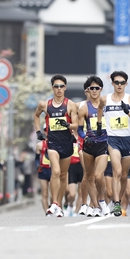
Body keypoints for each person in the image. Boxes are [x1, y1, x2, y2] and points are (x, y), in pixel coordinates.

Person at [33, 75, 79, 217]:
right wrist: (38, 131)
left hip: (66, 143)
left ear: (65, 87)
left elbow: (76, 125)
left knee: (63, 175)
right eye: (56, 86)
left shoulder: (70, 104)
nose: (59, 89)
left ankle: (58, 204)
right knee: (56, 172)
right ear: (52, 88)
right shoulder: (45, 105)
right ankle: (54, 203)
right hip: (52, 143)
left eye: (61, 86)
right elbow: (36, 115)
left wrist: (68, 125)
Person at [104, 70, 130, 217]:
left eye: (122, 82)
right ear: (112, 83)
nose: (119, 85)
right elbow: (98, 109)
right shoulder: (105, 99)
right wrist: (100, 125)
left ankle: (118, 200)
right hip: (112, 138)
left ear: (126, 84)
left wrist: (127, 111)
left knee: (124, 175)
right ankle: (117, 204)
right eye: (117, 82)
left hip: (127, 139)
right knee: (116, 171)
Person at [77, 75, 109, 217]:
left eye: (97, 88)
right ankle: (95, 205)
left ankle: (102, 200)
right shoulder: (84, 109)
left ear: (101, 89)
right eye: (92, 88)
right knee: (89, 176)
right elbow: (78, 129)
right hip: (89, 146)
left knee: (98, 175)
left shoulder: (107, 106)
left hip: (103, 144)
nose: (94, 91)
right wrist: (85, 138)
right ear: (88, 90)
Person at [36, 140, 51, 214]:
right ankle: (46, 212)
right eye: (45, 130)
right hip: (43, 170)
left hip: (53, 169)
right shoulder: (40, 145)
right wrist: (37, 166)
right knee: (44, 193)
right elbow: (36, 158)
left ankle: (52, 207)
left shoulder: (57, 142)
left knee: (53, 193)